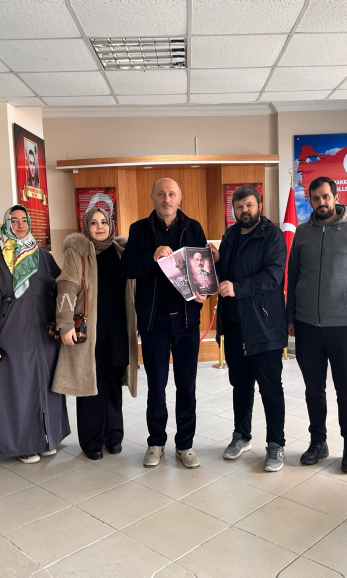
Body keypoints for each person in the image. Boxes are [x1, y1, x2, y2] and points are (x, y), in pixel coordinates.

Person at [286, 177, 347, 473]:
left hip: (345, 326)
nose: (321, 202)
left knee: (346, 391)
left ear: (336, 197)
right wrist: (290, 317)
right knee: (313, 390)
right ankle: (318, 442)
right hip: (306, 326)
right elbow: (293, 276)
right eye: (315, 198)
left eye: (325, 196)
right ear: (310, 201)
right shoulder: (302, 232)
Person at [121, 177, 208, 469]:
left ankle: (185, 445)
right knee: (156, 387)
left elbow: (203, 270)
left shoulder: (193, 227)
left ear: (180, 198)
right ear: (153, 198)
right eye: (161, 194)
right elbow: (126, 268)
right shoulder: (139, 229)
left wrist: (204, 292)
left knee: (187, 386)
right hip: (153, 321)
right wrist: (152, 257)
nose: (166, 199)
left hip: (187, 321)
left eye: (171, 194)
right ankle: (156, 442)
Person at [0, 205, 70, 464]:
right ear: (6, 225)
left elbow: (62, 289)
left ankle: (48, 438)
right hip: (13, 336)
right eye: (14, 221)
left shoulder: (43, 256)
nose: (20, 225)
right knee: (19, 390)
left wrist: (66, 323)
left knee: (48, 387)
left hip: (44, 334)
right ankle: (24, 445)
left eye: (24, 220)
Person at [210, 186, 288, 472]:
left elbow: (273, 276)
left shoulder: (272, 235)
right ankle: (241, 436)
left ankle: (276, 444)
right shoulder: (229, 236)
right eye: (240, 206)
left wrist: (238, 288)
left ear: (259, 206)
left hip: (264, 326)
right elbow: (226, 277)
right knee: (240, 386)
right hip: (234, 326)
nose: (245, 210)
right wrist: (216, 262)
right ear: (233, 208)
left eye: (250, 205)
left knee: (270, 388)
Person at [52, 207, 139, 461]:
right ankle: (92, 441)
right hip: (89, 332)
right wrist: (64, 323)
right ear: (85, 226)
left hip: (117, 330)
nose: (99, 227)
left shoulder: (121, 252)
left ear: (111, 225)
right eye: (93, 222)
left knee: (112, 384)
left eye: (104, 222)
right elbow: (66, 288)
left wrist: (137, 321)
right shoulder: (77, 252)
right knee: (89, 385)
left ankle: (114, 437)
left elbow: (133, 290)